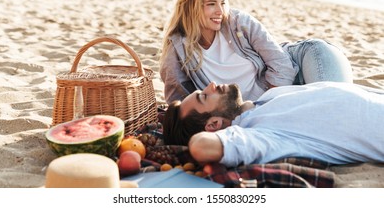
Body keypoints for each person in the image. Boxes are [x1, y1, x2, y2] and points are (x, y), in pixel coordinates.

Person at [160, 0, 353, 104]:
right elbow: (179, 101)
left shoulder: (239, 23)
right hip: (282, 101)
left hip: (308, 61)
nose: (220, 11)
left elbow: (283, 65)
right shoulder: (178, 48)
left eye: (223, 3)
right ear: (191, 6)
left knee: (336, 107)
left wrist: (261, 107)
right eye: (211, 4)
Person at [163, 81, 384, 167]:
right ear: (213, 125)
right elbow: (202, 146)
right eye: (204, 96)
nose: (211, 85)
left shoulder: (265, 100)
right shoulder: (260, 134)